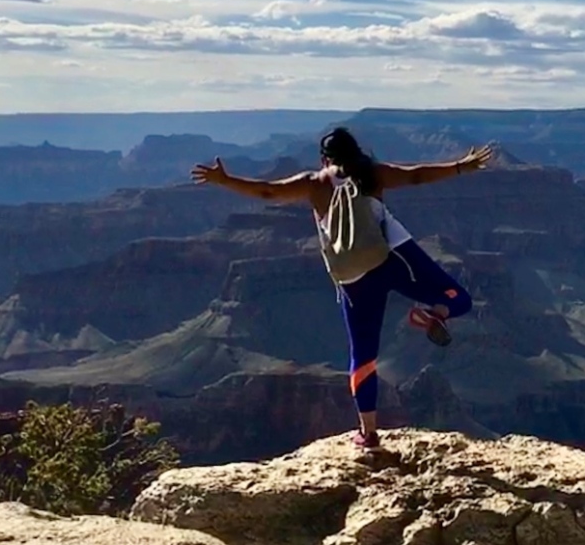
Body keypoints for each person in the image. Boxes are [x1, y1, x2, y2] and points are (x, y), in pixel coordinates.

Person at [190, 127, 494, 449]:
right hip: (393, 255)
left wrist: (225, 180)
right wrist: (461, 165)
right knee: (458, 298)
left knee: (362, 357)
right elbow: (416, 175)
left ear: (325, 158)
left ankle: (369, 434)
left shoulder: (314, 183)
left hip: (353, 276)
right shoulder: (372, 174)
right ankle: (435, 313)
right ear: (357, 151)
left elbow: (269, 191)